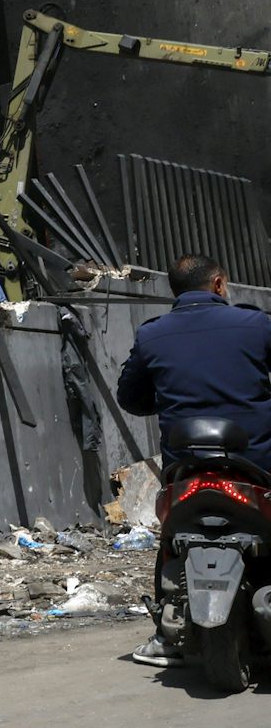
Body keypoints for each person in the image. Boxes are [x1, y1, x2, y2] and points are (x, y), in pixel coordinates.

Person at [115, 253, 271, 667]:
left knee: (171, 541)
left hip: (185, 467)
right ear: (219, 284)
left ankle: (164, 637)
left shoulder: (152, 335)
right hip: (257, 463)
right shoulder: (256, 325)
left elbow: (130, 398)